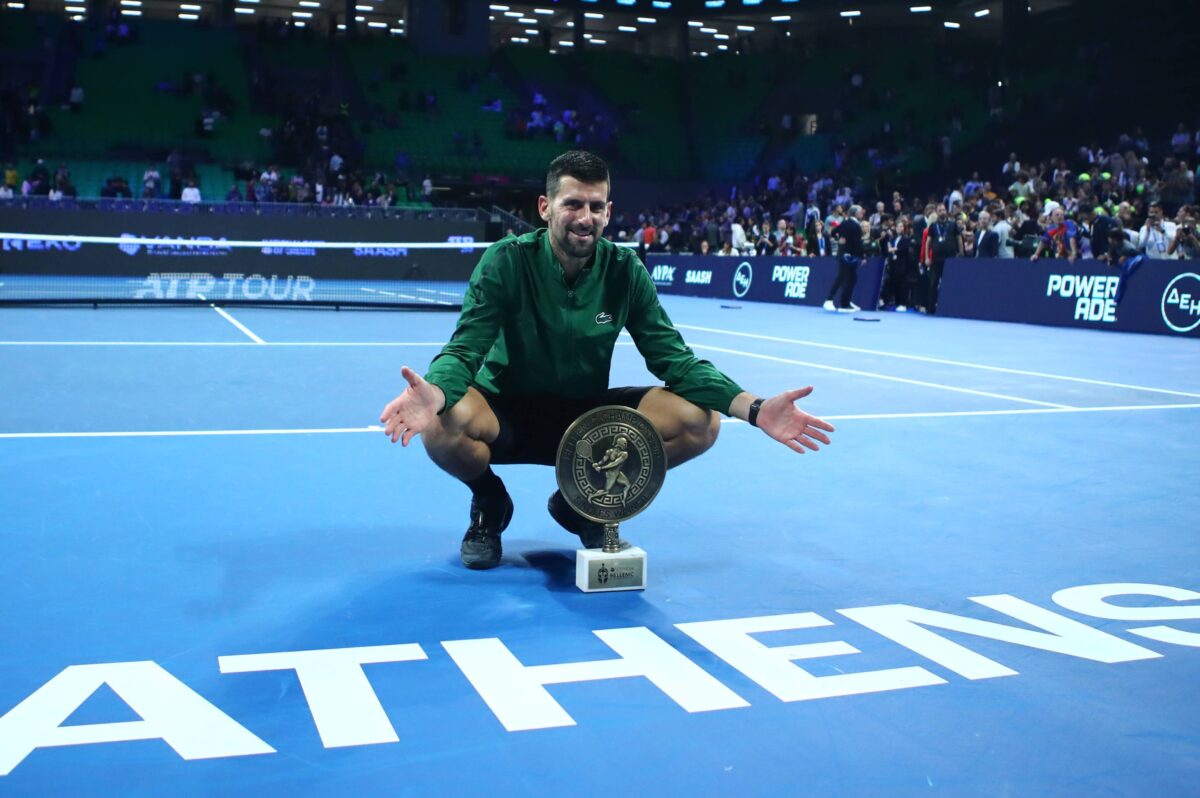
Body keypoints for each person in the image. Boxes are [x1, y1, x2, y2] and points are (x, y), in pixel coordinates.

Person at [378, 151, 836, 570]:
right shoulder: (506, 262)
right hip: (506, 412)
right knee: (441, 423)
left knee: (700, 421)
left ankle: (579, 503)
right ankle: (490, 502)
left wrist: (754, 409)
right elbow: (466, 349)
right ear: (545, 208)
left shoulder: (624, 270)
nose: (585, 218)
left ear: (609, 212)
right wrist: (434, 393)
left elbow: (674, 360)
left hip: (588, 421)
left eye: (596, 207)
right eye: (573, 204)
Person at [823, 205, 864, 313]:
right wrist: (862, 256)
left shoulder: (846, 223)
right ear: (855, 213)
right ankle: (831, 300)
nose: (862, 212)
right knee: (843, 278)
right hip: (848, 256)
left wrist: (839, 239)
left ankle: (846, 301)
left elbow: (833, 232)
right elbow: (858, 243)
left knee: (850, 278)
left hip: (845, 255)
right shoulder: (854, 225)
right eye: (860, 211)